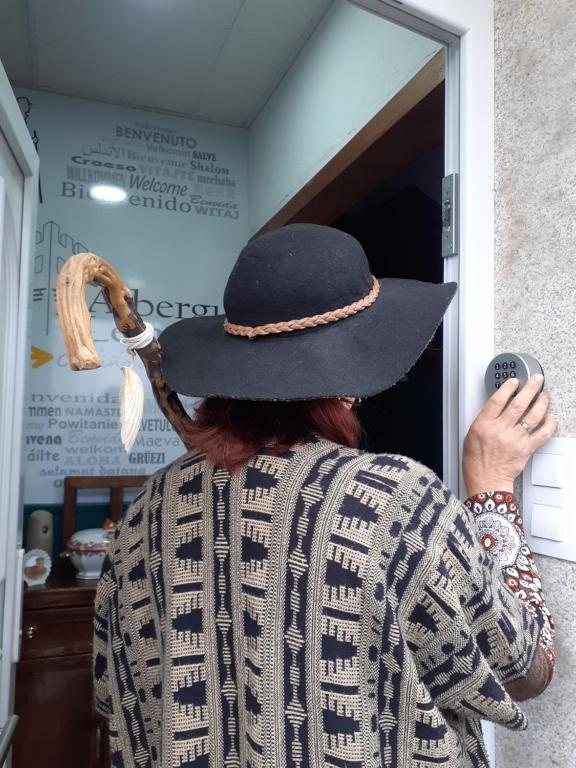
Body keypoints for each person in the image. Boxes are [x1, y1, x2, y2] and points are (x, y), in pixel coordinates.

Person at [93, 224, 555, 768]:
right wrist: (493, 489)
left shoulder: (148, 508)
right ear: (350, 380)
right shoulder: (394, 500)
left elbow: (110, 690)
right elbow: (521, 668)